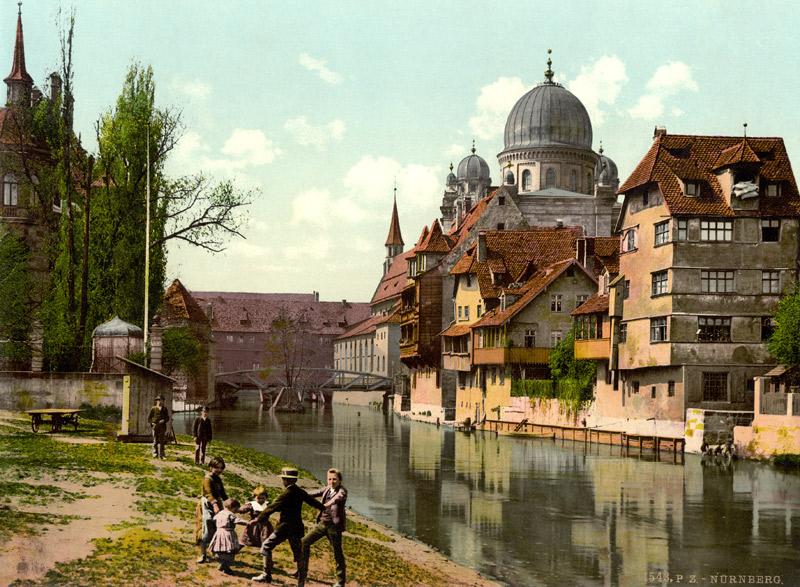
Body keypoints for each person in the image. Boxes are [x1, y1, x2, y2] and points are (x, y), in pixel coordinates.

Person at [251, 467, 323, 585]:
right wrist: (324, 508)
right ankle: (301, 581)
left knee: (267, 546)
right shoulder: (300, 491)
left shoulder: (285, 494)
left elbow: (271, 508)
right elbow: (313, 502)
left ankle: (266, 575)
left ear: (286, 480)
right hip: (297, 528)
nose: (282, 481)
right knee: (299, 554)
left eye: (283, 479)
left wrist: (258, 519)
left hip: (284, 528)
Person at [300, 468, 348, 587]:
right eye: (330, 479)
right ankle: (302, 572)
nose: (332, 482)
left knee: (337, 553)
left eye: (334, 479)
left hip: (334, 527)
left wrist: (328, 503)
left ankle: (340, 581)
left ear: (339, 480)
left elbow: (338, 498)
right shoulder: (326, 489)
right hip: (322, 524)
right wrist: (300, 494)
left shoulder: (342, 491)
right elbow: (314, 493)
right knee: (304, 542)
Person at [195, 456, 228, 564]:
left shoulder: (218, 479)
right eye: (216, 467)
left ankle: (214, 551)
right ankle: (202, 554)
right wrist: (215, 505)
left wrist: (229, 503)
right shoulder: (207, 479)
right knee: (205, 528)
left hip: (217, 503)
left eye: (221, 468)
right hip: (207, 505)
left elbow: (222, 494)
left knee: (217, 528)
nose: (219, 470)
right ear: (210, 467)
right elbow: (209, 494)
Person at [208, 498, 249, 575]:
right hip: (228, 533)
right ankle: (226, 567)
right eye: (235, 509)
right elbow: (237, 520)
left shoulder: (219, 513)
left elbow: (214, 519)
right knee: (229, 550)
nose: (236, 511)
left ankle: (222, 564)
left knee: (221, 549)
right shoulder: (230, 515)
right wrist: (247, 522)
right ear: (231, 507)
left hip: (219, 533)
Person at [148, 395, 170, 459]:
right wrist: (152, 423)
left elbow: (167, 418)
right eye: (158, 400)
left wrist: (164, 420)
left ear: (163, 401)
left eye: (160, 400)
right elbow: (149, 418)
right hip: (155, 427)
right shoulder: (153, 408)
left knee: (162, 441)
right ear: (156, 401)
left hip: (162, 427)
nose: (159, 402)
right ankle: (155, 454)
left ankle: (162, 455)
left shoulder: (165, 409)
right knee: (155, 441)